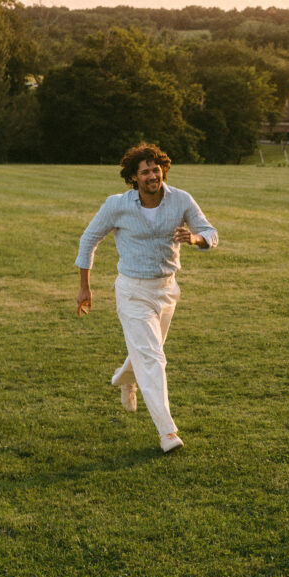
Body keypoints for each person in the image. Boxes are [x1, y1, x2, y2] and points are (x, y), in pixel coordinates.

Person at [75, 144, 219, 453]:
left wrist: (195, 238)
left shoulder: (181, 200)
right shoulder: (117, 205)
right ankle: (168, 433)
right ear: (134, 177)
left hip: (167, 290)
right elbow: (88, 240)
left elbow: (211, 232)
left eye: (156, 170)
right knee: (153, 357)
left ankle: (127, 378)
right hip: (132, 291)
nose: (153, 176)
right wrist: (85, 287)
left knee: (149, 351)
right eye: (145, 172)